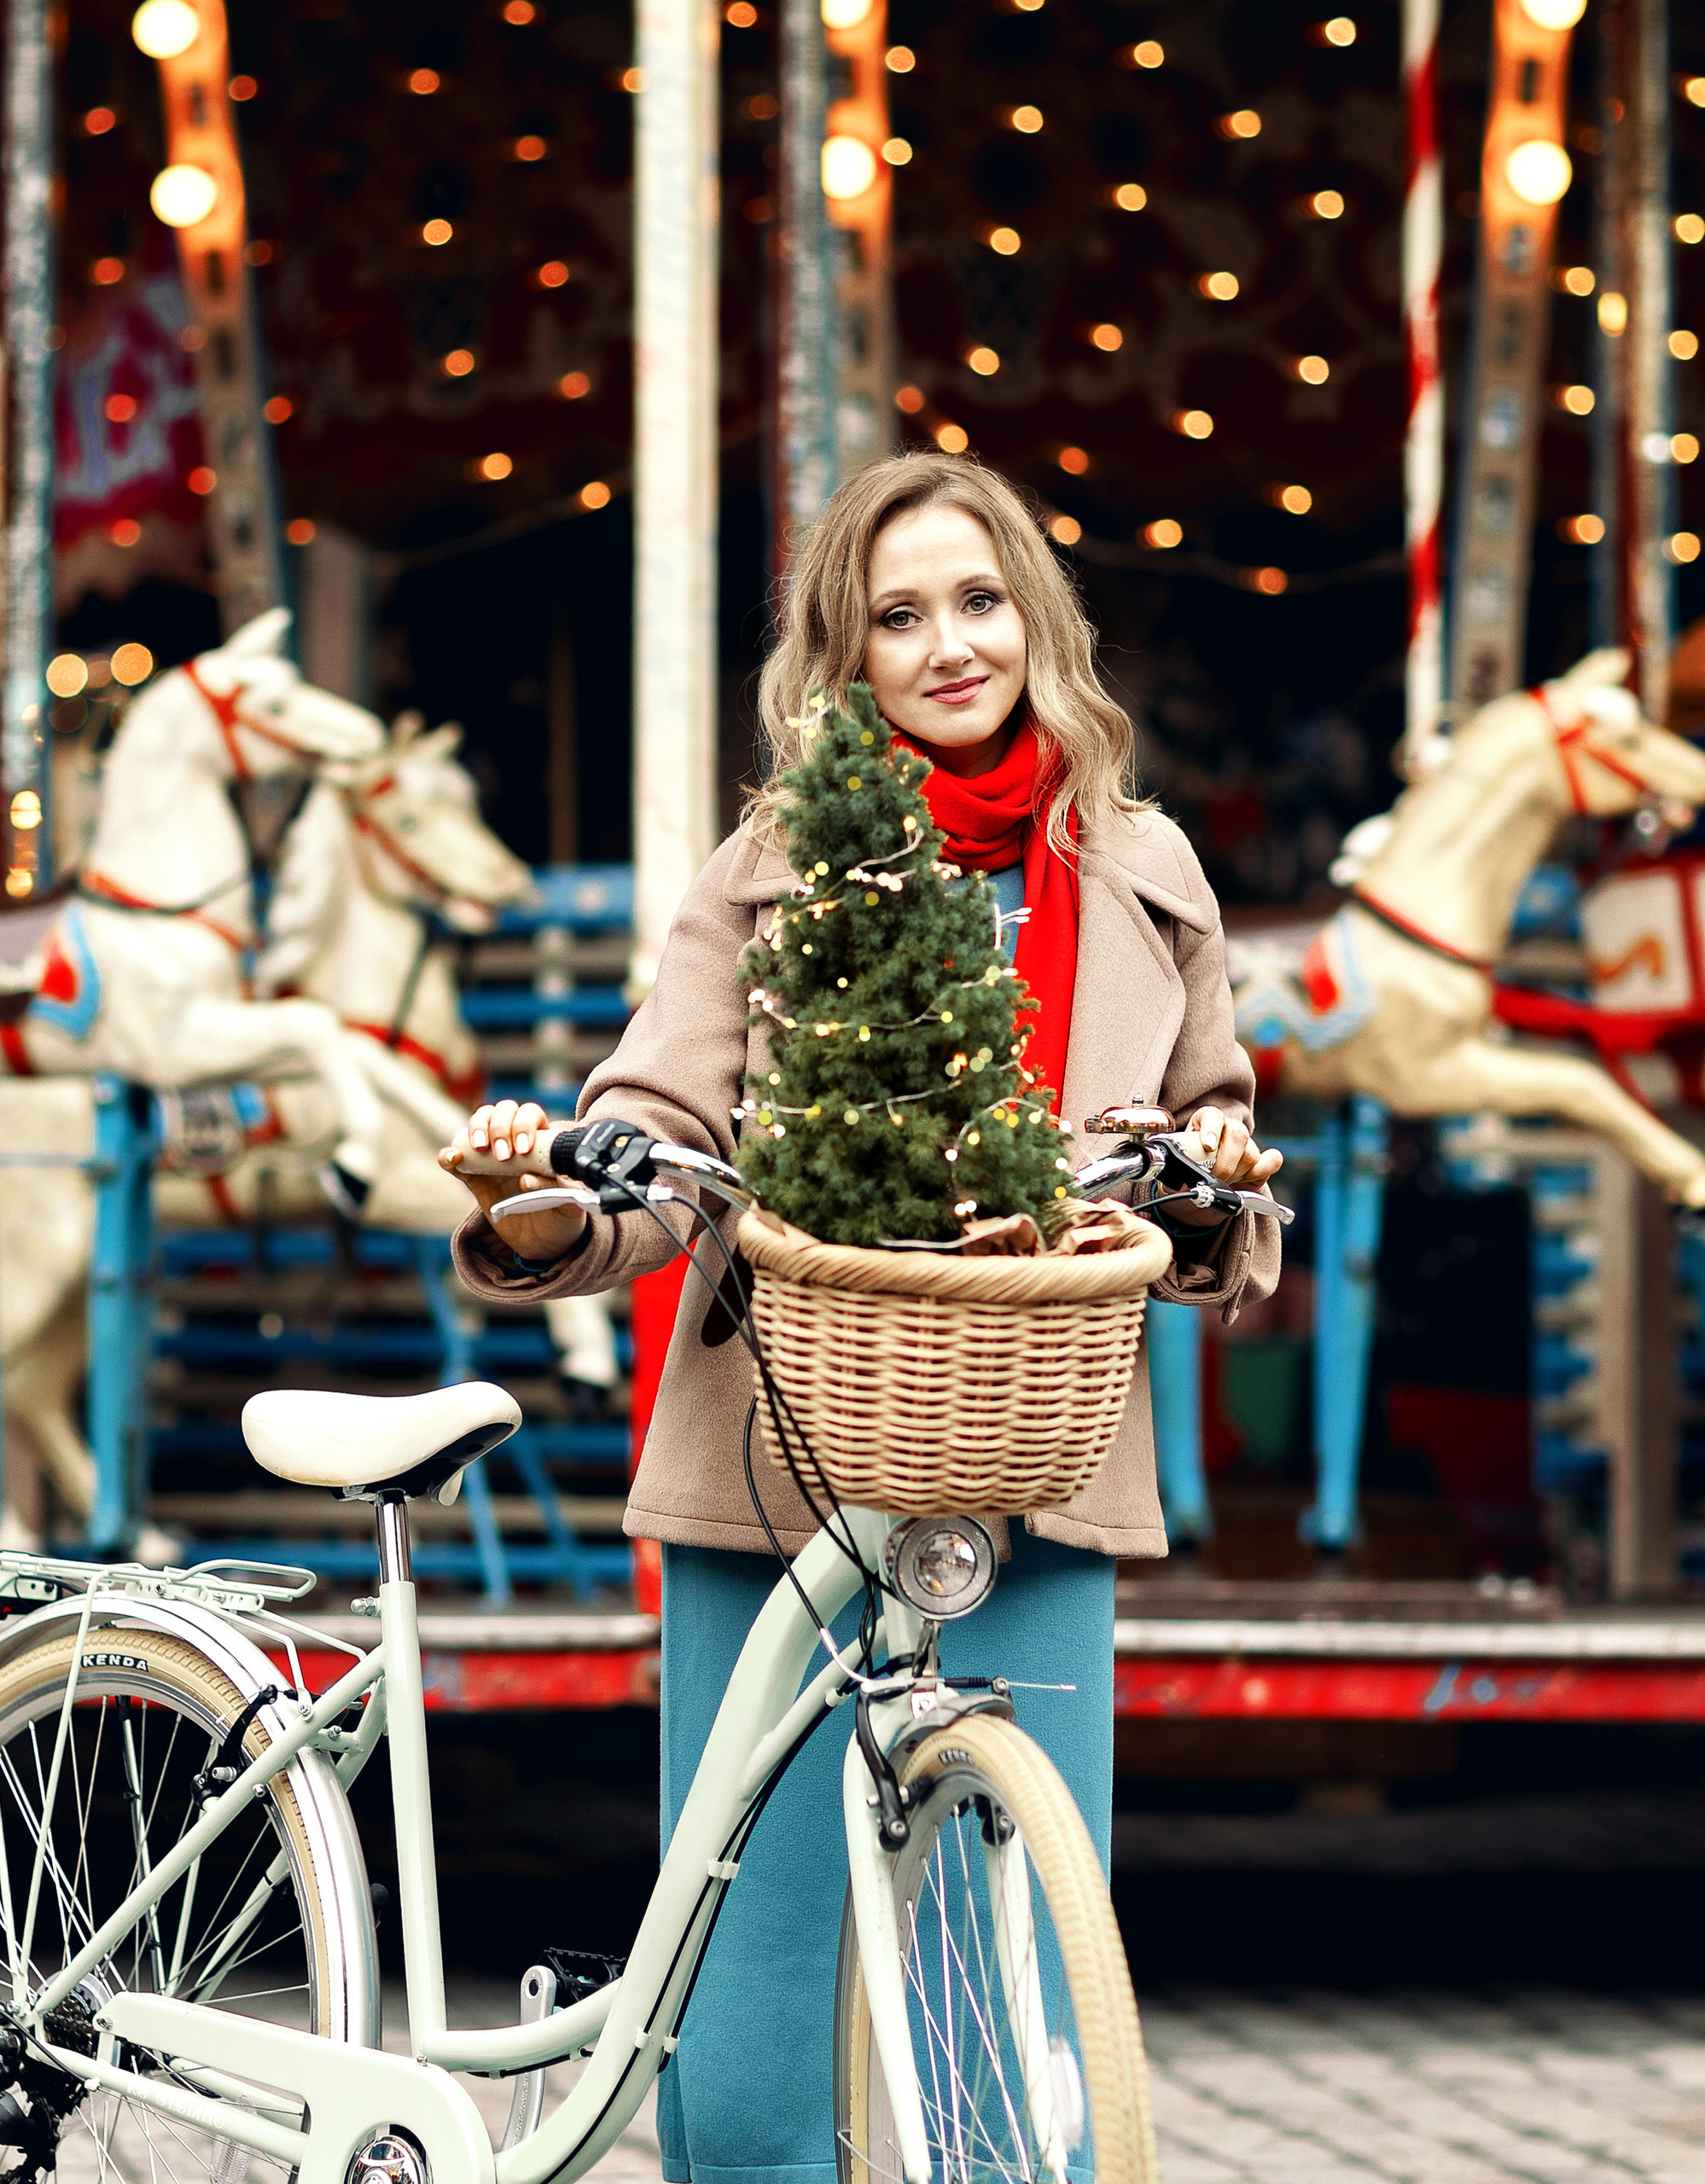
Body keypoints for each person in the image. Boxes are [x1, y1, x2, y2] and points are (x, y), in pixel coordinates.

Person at [439, 450, 1282, 2184]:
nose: (947, 642)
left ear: (1032, 620)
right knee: (742, 2033)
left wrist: (1199, 1183)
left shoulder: (1145, 870)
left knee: (1015, 2003)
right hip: (783, 1443)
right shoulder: (767, 865)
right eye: (897, 614)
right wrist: (550, 1191)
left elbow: (1216, 1155)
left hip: (1036, 1439)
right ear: (847, 657)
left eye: (976, 600)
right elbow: (657, 1120)